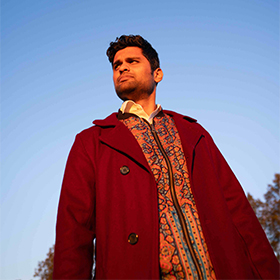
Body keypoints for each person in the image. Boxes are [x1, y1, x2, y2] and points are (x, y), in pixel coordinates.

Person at [53, 35, 279, 280]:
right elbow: (73, 232)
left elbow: (240, 214)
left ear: (157, 74)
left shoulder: (194, 133)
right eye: (116, 66)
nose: (122, 68)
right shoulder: (91, 142)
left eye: (132, 61)